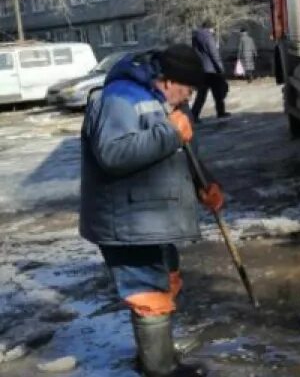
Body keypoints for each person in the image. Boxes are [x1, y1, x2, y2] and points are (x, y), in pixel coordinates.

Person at [79, 45, 224, 377]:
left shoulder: (165, 101)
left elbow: (180, 149)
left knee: (164, 280)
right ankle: (160, 370)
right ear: (168, 80)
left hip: (149, 218)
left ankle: (156, 358)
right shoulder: (118, 98)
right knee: (148, 290)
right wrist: (171, 132)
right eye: (186, 90)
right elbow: (113, 154)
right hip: (126, 220)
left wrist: (205, 183)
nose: (187, 98)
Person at [191, 21, 230, 120]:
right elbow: (214, 54)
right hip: (212, 70)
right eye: (213, 29)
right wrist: (220, 68)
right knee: (218, 93)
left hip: (202, 69)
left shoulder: (196, 38)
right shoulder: (208, 37)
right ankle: (221, 112)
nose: (214, 31)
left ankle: (194, 114)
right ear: (210, 28)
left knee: (201, 94)